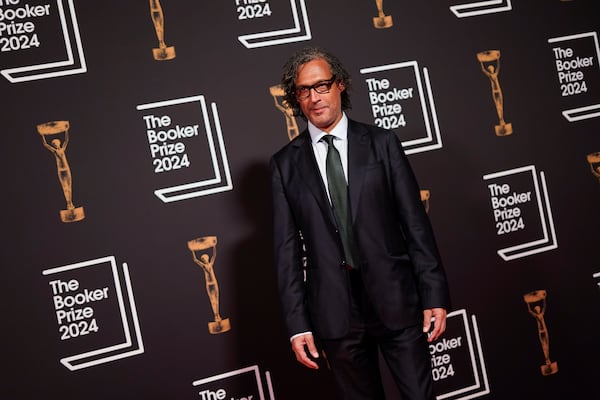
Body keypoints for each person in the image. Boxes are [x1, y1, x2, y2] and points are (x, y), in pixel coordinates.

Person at [269, 46, 451, 400]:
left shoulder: (382, 144)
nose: (314, 97)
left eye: (321, 85)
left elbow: (415, 225)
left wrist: (434, 294)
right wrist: (296, 325)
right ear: (295, 99)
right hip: (335, 313)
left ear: (340, 86)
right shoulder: (284, 165)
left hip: (396, 298)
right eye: (304, 90)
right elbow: (286, 252)